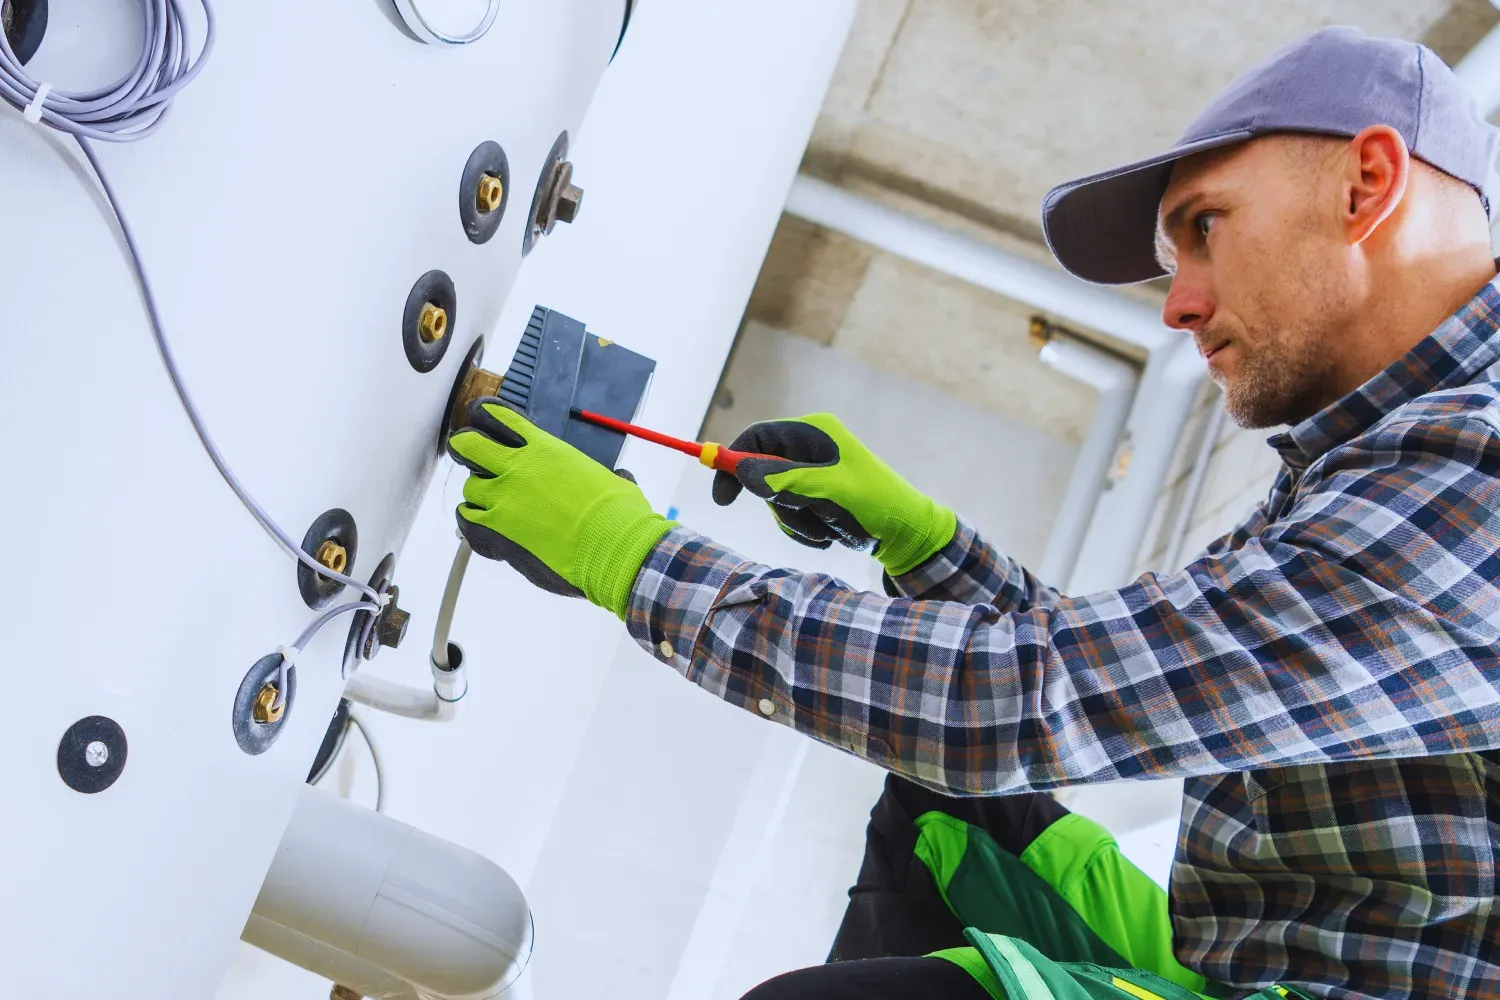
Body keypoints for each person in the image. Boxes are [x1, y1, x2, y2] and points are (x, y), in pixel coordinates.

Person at [446, 26, 1500, 1000]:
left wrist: (626, 555)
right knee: (943, 802)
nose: (1178, 302)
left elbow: (1022, 703)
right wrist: (921, 542)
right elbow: (1124, 676)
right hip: (1238, 964)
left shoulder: (1476, 473)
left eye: (1204, 227)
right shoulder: (1369, 456)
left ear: (1369, 182)